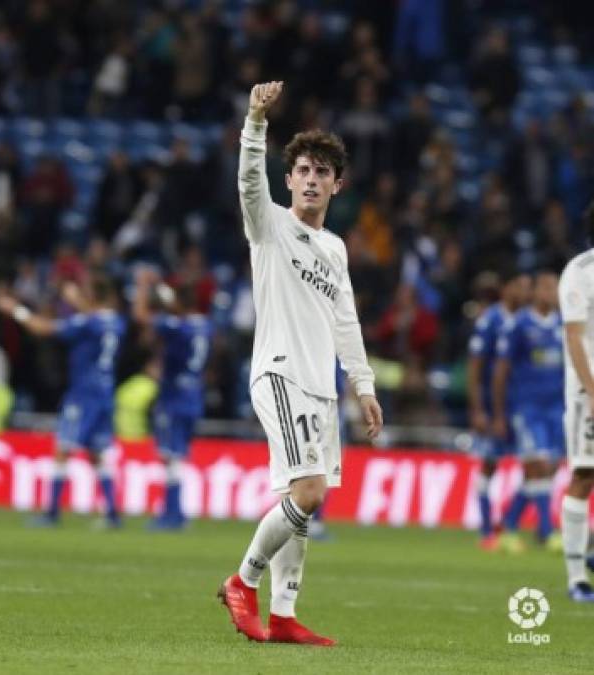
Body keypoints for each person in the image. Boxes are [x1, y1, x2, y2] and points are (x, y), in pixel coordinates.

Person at [217, 81, 383, 646]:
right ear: (288, 180)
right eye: (303, 171)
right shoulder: (269, 226)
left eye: (322, 173)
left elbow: (345, 323)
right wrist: (256, 123)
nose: (311, 180)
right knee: (308, 491)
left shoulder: (335, 249)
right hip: (280, 371)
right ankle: (243, 582)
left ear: (338, 184)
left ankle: (284, 616)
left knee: (304, 500)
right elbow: (246, 182)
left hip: (319, 385)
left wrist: (364, 385)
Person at [0, 275, 126, 527]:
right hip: (105, 392)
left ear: (91, 296)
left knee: (62, 448)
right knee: (97, 452)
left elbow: (42, 328)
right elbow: (95, 317)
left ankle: (51, 512)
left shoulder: (87, 322)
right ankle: (112, 514)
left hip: (84, 393)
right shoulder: (116, 322)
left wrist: (16, 310)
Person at [133, 270, 212, 530]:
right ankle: (174, 513)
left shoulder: (178, 326)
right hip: (193, 394)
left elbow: (141, 316)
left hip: (174, 396)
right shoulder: (204, 324)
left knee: (170, 455)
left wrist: (143, 285)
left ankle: (173, 514)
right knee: (177, 454)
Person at [493, 271, 564, 553]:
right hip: (527, 406)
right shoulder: (519, 325)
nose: (552, 292)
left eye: (555, 287)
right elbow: (501, 370)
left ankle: (508, 523)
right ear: (535, 292)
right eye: (547, 287)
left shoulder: (563, 324)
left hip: (557, 407)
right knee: (536, 464)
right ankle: (547, 531)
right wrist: (499, 413)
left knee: (549, 468)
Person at [467, 269, 531, 550]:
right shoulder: (490, 320)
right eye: (520, 285)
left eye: (528, 287)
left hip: (523, 405)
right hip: (493, 409)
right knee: (489, 464)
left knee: (538, 466)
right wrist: (479, 410)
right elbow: (475, 368)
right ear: (506, 288)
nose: (525, 293)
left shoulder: (527, 320)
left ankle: (508, 523)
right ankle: (486, 531)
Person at [558, 202, 594, 601]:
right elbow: (574, 337)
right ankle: (576, 577)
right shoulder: (580, 273)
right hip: (588, 391)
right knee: (585, 476)